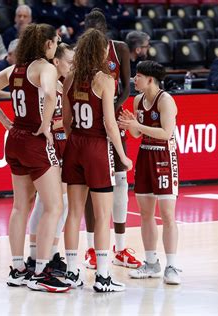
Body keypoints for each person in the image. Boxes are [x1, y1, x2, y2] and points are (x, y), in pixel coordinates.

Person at [0, 23, 70, 293]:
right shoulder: (46, 68)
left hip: (15, 138)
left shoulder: (14, 69)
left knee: (20, 206)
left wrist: (6, 121)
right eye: (56, 41)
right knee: (54, 206)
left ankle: (18, 269)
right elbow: (51, 94)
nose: (57, 45)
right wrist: (46, 125)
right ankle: (41, 272)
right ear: (48, 44)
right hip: (34, 140)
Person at [62, 28, 133, 292]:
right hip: (96, 146)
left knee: (74, 213)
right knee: (103, 216)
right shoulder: (105, 79)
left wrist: (75, 140)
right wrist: (123, 156)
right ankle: (102, 277)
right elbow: (110, 124)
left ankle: (72, 272)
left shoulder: (70, 77)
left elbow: (67, 121)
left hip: (75, 144)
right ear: (102, 51)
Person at [82, 9, 141, 271]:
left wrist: (113, 108)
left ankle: (119, 246)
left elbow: (127, 86)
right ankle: (91, 248)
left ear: (104, 32)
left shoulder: (120, 49)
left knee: (120, 182)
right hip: (90, 127)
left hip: (113, 120)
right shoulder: (80, 53)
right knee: (89, 187)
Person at [118, 60, 182, 285]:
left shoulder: (166, 100)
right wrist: (129, 126)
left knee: (167, 214)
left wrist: (138, 125)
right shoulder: (137, 100)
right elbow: (137, 136)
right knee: (145, 213)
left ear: (150, 80)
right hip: (145, 155)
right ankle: (151, 262)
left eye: (138, 76)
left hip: (164, 156)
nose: (135, 79)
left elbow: (166, 133)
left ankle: (172, 265)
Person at [26, 43, 75, 277]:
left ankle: (40, 253)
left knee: (49, 204)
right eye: (70, 62)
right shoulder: (48, 83)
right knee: (54, 204)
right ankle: (46, 254)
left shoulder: (61, 84)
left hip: (60, 144)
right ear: (57, 62)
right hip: (49, 145)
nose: (73, 66)